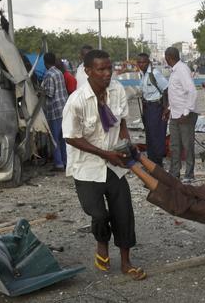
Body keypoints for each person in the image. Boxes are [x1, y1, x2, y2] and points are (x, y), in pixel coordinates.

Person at [62, 49, 146, 280]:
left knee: (124, 212)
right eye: (101, 69)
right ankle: (102, 244)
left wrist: (126, 144)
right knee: (98, 214)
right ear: (88, 71)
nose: (107, 73)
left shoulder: (117, 90)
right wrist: (104, 153)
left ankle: (126, 262)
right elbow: (71, 136)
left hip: (114, 166)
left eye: (109, 68)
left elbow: (121, 122)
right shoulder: (76, 101)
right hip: (87, 167)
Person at [164, 47, 198, 182]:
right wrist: (169, 108)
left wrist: (186, 112)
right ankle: (174, 173)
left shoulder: (182, 69)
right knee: (174, 145)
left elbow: (192, 91)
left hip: (185, 115)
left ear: (168, 57)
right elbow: (177, 93)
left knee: (187, 145)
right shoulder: (174, 71)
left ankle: (189, 174)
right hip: (175, 114)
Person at [136, 53, 169, 166]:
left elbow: (166, 89)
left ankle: (158, 164)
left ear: (148, 62)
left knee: (157, 136)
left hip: (157, 107)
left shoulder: (154, 74)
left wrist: (166, 108)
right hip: (147, 108)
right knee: (149, 136)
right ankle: (152, 163)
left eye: (144, 62)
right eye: (139, 62)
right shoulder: (142, 74)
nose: (141, 64)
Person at [42, 52, 69, 171]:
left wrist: (41, 90)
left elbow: (50, 92)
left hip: (54, 111)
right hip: (64, 108)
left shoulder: (49, 74)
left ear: (45, 62)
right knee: (63, 138)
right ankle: (65, 161)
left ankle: (58, 164)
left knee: (54, 139)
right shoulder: (59, 72)